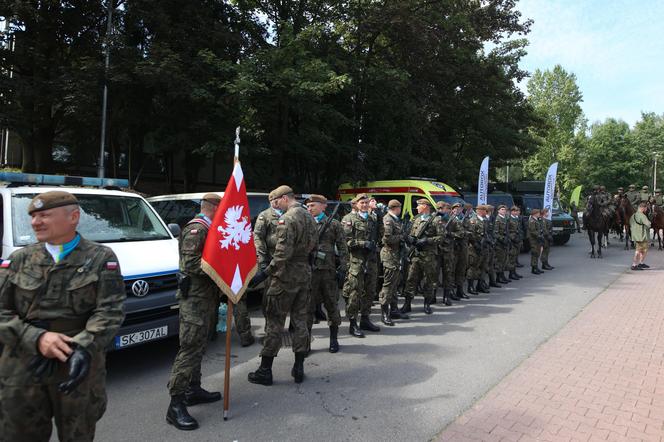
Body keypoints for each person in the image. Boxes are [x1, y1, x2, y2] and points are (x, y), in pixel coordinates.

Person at [0, 191, 125, 441]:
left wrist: (82, 347)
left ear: (73, 217)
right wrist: (36, 338)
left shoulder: (100, 258)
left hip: (76, 367)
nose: (36, 222)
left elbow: (110, 311)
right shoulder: (19, 259)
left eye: (44, 215)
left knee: (78, 434)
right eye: (34, 216)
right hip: (23, 368)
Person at [248, 185, 317, 385]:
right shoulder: (309, 218)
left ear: (285, 198)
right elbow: (313, 246)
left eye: (276, 201)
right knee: (301, 321)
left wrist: (264, 273)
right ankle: (298, 367)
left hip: (284, 277)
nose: (275, 205)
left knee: (274, 322)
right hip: (304, 275)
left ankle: (265, 370)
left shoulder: (287, 219)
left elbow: (282, 254)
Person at [167, 193, 225, 431]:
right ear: (211, 207)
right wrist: (219, 268)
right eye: (221, 207)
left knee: (200, 346)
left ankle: (193, 389)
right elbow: (190, 264)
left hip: (206, 298)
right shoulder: (197, 228)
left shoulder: (209, 227)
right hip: (194, 300)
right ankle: (175, 404)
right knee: (189, 349)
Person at [306, 195, 347, 353]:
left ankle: (333, 339)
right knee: (308, 307)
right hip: (309, 272)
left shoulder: (334, 224)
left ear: (324, 206)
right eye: (308, 206)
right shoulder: (305, 223)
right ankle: (306, 341)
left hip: (328, 272)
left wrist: (343, 267)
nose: (309, 209)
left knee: (331, 305)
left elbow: (342, 246)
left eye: (313, 205)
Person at [342, 194, 381, 337]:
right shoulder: (348, 219)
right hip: (356, 262)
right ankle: (353, 323)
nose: (364, 205)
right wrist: (362, 243)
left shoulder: (372, 219)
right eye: (362, 203)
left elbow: (378, 235)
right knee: (354, 293)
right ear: (356, 204)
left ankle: (365, 319)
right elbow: (346, 242)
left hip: (371, 261)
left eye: (366, 202)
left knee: (370, 291)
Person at [401, 199, 443, 315]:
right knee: (411, 279)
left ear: (425, 206)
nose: (417, 208)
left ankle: (427, 304)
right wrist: (410, 239)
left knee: (428, 280)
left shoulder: (436, 220)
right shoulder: (417, 219)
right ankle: (407, 303)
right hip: (415, 254)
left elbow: (441, 237)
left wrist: (427, 240)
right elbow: (411, 234)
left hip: (428, 255)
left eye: (418, 205)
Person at [378, 199, 408, 325]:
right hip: (389, 255)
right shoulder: (388, 220)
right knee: (388, 284)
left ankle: (394, 310)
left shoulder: (394, 219)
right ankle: (384, 313)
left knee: (395, 284)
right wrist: (401, 237)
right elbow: (387, 239)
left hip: (395, 255)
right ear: (397, 208)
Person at [466, 205, 490, 294]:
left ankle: (480, 285)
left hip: (484, 247)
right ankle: (470, 286)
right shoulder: (473, 220)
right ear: (479, 211)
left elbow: (486, 233)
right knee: (473, 267)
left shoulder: (485, 220)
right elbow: (471, 234)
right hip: (474, 248)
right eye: (485, 210)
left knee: (483, 266)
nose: (486, 212)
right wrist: (476, 244)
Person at [435, 202, 455, 305]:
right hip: (436, 250)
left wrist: (449, 234)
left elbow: (460, 233)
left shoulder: (451, 220)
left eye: (443, 209)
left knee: (448, 274)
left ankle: (446, 296)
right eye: (439, 208)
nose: (441, 210)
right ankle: (432, 296)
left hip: (447, 250)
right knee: (434, 274)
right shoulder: (434, 219)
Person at [450, 202, 469, 299]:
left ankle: (460, 290)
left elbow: (468, 230)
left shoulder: (465, 219)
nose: (458, 210)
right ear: (452, 209)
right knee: (452, 269)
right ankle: (451, 291)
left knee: (461, 268)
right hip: (453, 247)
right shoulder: (450, 219)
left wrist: (465, 233)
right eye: (456, 208)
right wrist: (459, 234)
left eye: (460, 208)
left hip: (463, 246)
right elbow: (447, 233)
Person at [629, 202, 651, 271]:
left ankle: (640, 263)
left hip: (636, 235)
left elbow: (630, 223)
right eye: (646, 208)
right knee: (640, 250)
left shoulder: (633, 215)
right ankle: (634, 265)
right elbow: (648, 224)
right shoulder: (642, 216)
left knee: (641, 250)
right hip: (642, 236)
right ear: (643, 208)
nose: (646, 210)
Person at [493, 205, 511, 283]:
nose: (504, 211)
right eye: (502, 209)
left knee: (504, 259)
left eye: (505, 209)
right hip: (499, 243)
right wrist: (502, 239)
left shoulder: (505, 218)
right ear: (498, 211)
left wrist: (508, 239)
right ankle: (498, 277)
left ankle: (502, 275)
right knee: (499, 260)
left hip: (505, 242)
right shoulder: (498, 219)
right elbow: (495, 233)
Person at [507, 206, 523, 280]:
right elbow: (508, 230)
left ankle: (514, 272)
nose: (517, 212)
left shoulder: (516, 219)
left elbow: (519, 229)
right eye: (515, 211)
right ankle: (511, 273)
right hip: (512, 240)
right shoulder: (509, 219)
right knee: (512, 258)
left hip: (517, 239)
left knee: (515, 256)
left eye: (517, 211)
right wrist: (512, 238)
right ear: (512, 211)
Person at [528, 208, 544, 274]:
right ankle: (534, 268)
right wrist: (539, 235)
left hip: (537, 239)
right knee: (534, 253)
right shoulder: (532, 221)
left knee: (537, 253)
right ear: (535, 213)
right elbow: (533, 231)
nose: (539, 214)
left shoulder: (536, 220)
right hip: (534, 240)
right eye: (538, 213)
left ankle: (536, 267)